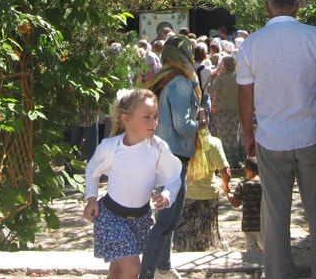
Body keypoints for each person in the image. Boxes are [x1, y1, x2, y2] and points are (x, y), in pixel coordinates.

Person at [237, 0, 316, 279]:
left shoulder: (251, 44)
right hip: (314, 134)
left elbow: (246, 95)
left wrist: (248, 134)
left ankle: (278, 274)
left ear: (267, 7)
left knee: (275, 215)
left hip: (271, 138)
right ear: (297, 6)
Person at [84, 89, 183, 279]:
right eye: (146, 117)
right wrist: (91, 199)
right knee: (132, 269)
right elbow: (91, 170)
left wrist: (167, 196)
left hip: (140, 219)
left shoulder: (158, 147)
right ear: (126, 120)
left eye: (155, 117)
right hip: (112, 217)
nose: (153, 123)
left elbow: (173, 177)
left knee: (118, 269)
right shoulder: (110, 147)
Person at [140, 35, 208, 279]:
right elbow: (183, 125)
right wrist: (200, 122)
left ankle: (163, 267)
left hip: (157, 152)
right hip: (175, 155)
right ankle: (146, 273)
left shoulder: (161, 78)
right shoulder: (180, 82)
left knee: (163, 215)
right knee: (166, 221)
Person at [172, 129, 231, 252]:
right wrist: (225, 186)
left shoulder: (180, 143)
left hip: (185, 194)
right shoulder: (214, 143)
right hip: (208, 195)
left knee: (183, 232)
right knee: (203, 234)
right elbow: (226, 172)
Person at [206, 54, 242, 166]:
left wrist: (210, 79)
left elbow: (210, 89)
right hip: (236, 109)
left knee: (223, 134)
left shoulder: (221, 79)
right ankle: (235, 159)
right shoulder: (238, 76)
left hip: (223, 109)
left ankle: (225, 160)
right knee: (234, 134)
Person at [227, 157, 263, 252]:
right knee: (266, 250)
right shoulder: (264, 184)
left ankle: (252, 264)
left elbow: (236, 203)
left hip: (249, 224)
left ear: (246, 170)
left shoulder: (243, 185)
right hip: (264, 224)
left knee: (251, 251)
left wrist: (227, 193)